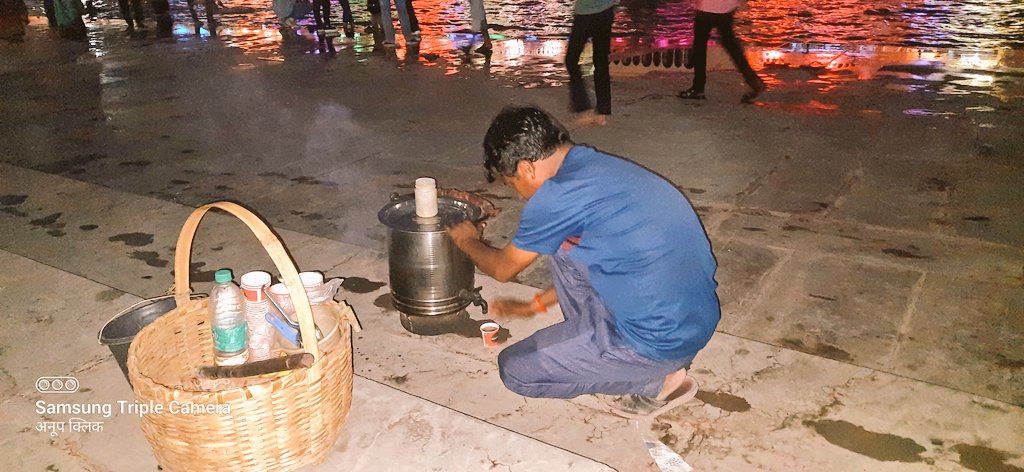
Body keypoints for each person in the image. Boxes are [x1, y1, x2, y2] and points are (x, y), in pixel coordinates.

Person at [447, 106, 721, 418]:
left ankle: (655, 382)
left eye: (512, 184)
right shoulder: (594, 164)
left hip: (656, 340)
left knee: (514, 370)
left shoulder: (556, 197)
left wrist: (466, 239)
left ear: (526, 168)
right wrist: (534, 305)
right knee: (563, 247)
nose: (521, 195)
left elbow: (502, 269)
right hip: (695, 318)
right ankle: (597, 346)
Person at [677, 0, 765, 103]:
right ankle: (753, 80)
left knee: (700, 46)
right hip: (726, 7)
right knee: (731, 45)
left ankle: (698, 87)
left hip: (707, 7)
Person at [565, 0, 614, 126]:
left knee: (571, 60)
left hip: (586, 14)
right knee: (601, 61)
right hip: (605, 12)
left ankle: (584, 108)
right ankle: (602, 112)